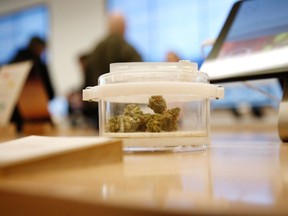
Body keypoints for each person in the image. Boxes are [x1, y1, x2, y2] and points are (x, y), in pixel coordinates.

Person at [83, 12, 142, 129]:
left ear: (108, 27)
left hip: (98, 110)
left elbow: (87, 77)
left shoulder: (95, 49)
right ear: (124, 28)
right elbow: (140, 78)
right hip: (125, 110)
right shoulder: (129, 49)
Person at [10, 36, 55, 132]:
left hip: (12, 118)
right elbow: (50, 93)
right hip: (35, 117)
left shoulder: (11, 63)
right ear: (40, 47)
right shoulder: (38, 65)